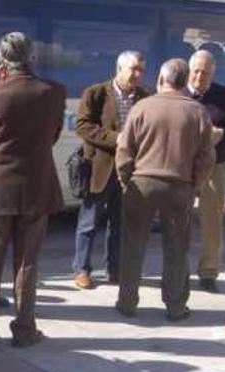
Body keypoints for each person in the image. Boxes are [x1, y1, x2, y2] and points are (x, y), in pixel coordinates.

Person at [0, 32, 66, 347]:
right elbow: (52, 135)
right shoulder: (53, 92)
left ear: (1, 58)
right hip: (37, 186)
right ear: (31, 57)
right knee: (27, 263)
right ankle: (24, 329)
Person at [115, 58, 215, 321]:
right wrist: (195, 184)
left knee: (133, 244)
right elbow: (206, 158)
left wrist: (126, 181)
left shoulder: (142, 107)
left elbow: (124, 150)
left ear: (161, 79)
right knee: (177, 247)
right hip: (179, 186)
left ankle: (127, 302)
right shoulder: (197, 112)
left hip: (142, 182)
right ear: (185, 81)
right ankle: (175, 306)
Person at [72, 51, 149, 289]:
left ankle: (115, 269)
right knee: (88, 223)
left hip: (129, 172)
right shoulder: (95, 93)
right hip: (99, 169)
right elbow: (83, 126)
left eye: (141, 70)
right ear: (119, 69)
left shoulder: (145, 97)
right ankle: (82, 269)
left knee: (120, 224)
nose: (137, 74)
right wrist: (117, 139)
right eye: (133, 69)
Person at [188, 50, 225, 293]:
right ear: (189, 71)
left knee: (212, 222)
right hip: (182, 167)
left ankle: (208, 273)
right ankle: (176, 270)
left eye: (205, 72)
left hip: (215, 165)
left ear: (213, 74)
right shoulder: (178, 94)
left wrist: (222, 134)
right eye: (196, 71)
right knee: (177, 220)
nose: (200, 76)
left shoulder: (224, 96)